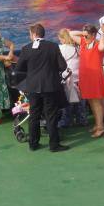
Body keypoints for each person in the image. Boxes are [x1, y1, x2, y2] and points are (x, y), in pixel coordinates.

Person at [15, 23, 69, 152]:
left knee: (34, 115)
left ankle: (33, 144)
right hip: (50, 86)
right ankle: (54, 145)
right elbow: (62, 66)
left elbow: (19, 68)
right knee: (51, 115)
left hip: (33, 87)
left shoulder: (26, 48)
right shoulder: (53, 46)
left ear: (33, 34)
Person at [70, 25, 104, 138]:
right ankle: (98, 124)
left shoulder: (97, 44)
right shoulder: (83, 42)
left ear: (93, 35)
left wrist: (101, 35)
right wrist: (83, 34)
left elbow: (102, 47)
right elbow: (71, 34)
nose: (85, 37)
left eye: (87, 36)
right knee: (91, 102)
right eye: (84, 35)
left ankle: (101, 127)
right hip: (86, 77)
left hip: (95, 78)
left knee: (96, 102)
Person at [57, 28, 84, 127]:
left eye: (60, 39)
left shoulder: (61, 49)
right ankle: (82, 120)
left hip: (68, 78)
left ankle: (66, 121)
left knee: (67, 103)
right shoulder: (77, 48)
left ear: (62, 39)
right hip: (79, 78)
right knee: (80, 103)